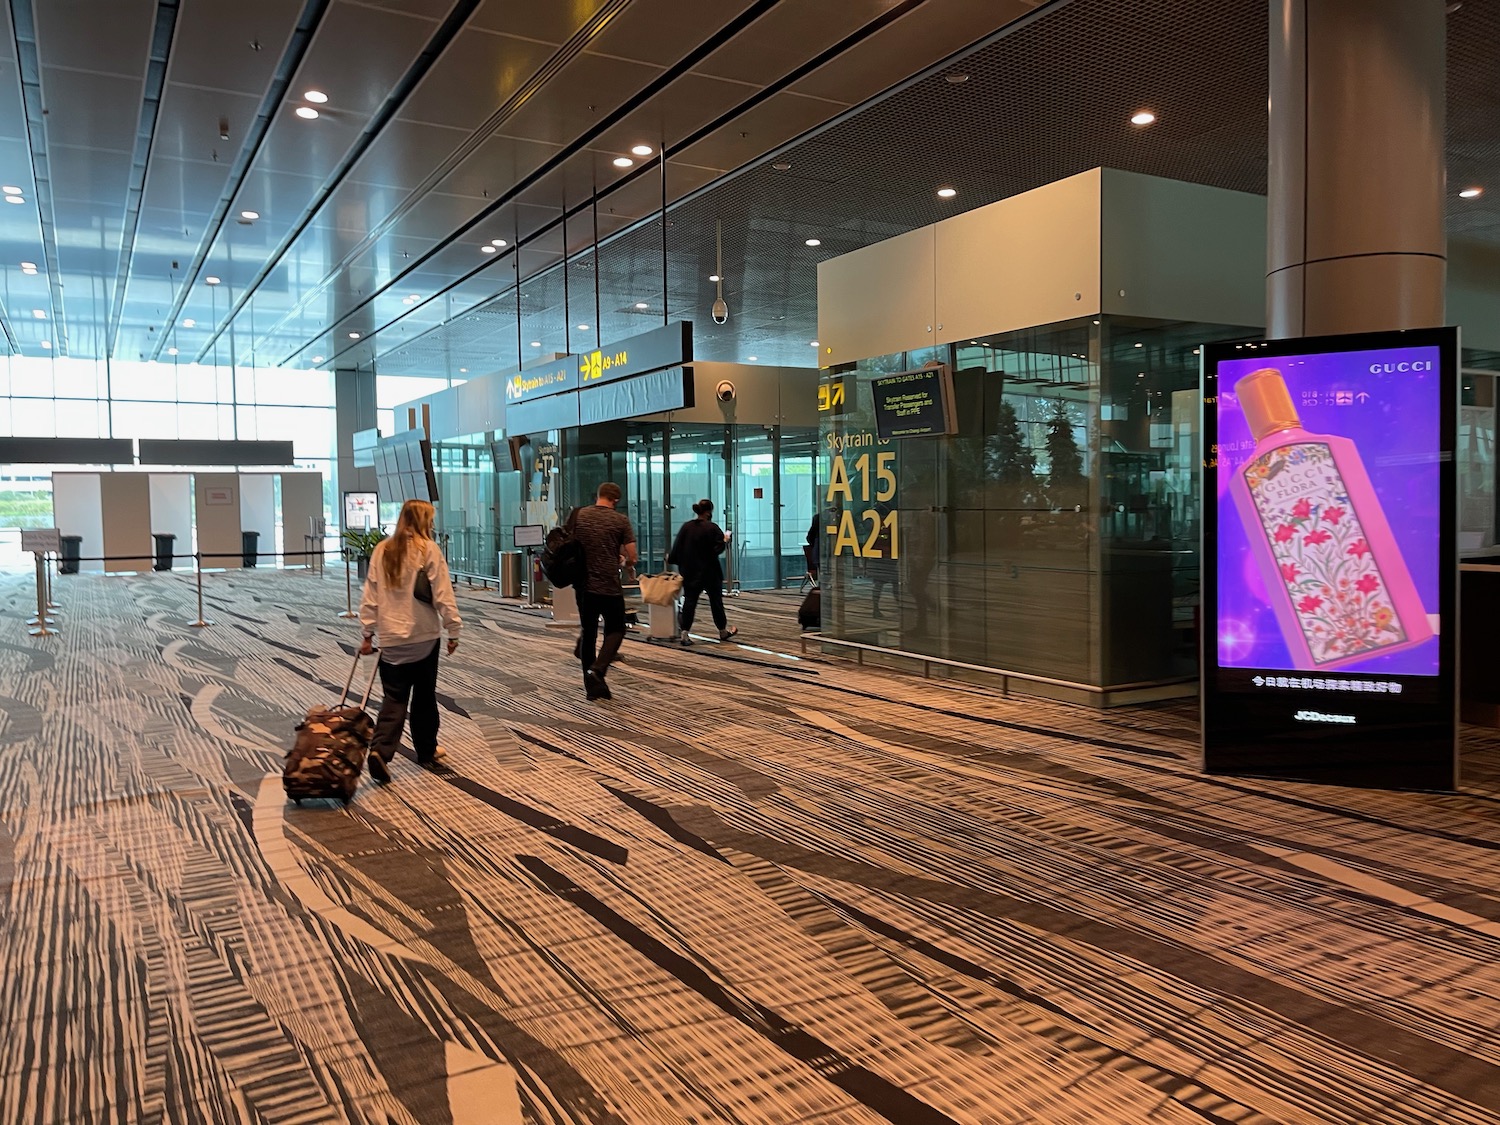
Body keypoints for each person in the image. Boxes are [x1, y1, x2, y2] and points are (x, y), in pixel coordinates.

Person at [358, 499, 461, 781]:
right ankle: (426, 751)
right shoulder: (428, 549)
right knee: (424, 697)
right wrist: (454, 630)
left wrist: (367, 634)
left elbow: (370, 596)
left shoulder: (382, 550)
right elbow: (442, 594)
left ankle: (380, 749)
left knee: (394, 698)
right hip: (424, 637)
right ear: (423, 521)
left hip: (391, 639)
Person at [571, 481, 637, 701]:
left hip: (583, 586)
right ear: (616, 500)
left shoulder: (578, 515)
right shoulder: (620, 520)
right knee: (616, 629)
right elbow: (633, 556)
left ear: (597, 495)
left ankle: (591, 686)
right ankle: (598, 670)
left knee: (588, 633)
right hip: (609, 586)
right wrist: (625, 563)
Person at [667, 498, 736, 645]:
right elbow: (718, 549)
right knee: (716, 602)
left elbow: (677, 549)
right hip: (710, 572)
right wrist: (725, 540)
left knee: (690, 602)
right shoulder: (712, 528)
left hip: (691, 572)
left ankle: (684, 634)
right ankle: (722, 631)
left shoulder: (686, 527)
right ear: (709, 512)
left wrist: (673, 560)